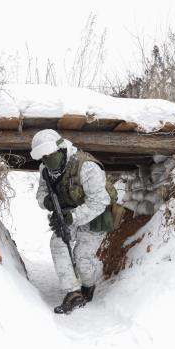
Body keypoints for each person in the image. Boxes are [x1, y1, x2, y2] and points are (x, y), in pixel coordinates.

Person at [31, 129, 118, 314]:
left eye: (49, 155)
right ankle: (73, 294)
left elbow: (100, 201)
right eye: (43, 158)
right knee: (58, 243)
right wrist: (47, 202)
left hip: (96, 216)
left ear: (61, 150)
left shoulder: (87, 167)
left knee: (82, 258)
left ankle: (89, 285)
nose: (46, 161)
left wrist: (73, 217)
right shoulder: (45, 168)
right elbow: (41, 193)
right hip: (69, 215)